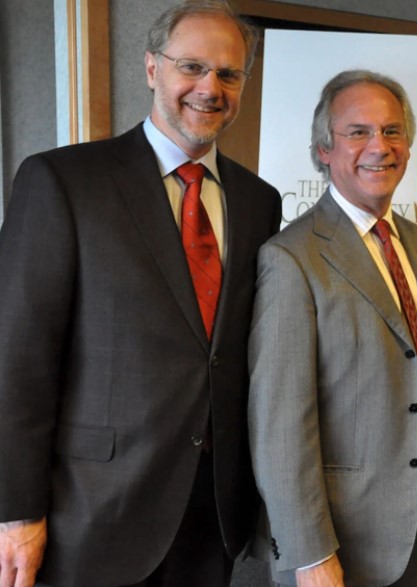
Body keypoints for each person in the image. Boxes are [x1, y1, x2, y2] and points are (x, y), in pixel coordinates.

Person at [0, 1, 281, 585]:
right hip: (92, 512)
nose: (210, 87)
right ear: (152, 67)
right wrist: (16, 512)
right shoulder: (62, 181)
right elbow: (16, 360)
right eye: (192, 67)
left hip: (212, 514)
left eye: (229, 74)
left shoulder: (260, 203)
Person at [247, 69, 417, 587]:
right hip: (333, 537)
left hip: (414, 515)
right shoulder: (291, 258)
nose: (380, 146)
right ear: (323, 151)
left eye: (392, 131)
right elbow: (279, 425)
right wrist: (307, 553)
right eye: (358, 132)